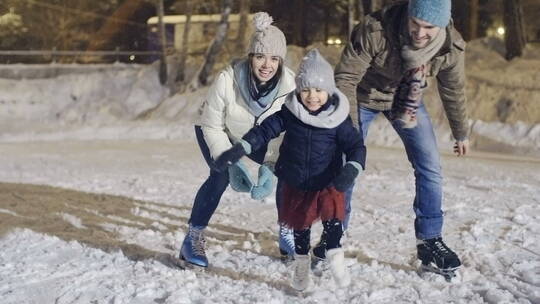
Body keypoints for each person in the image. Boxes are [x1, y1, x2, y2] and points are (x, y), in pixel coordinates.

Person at [334, 0, 467, 277]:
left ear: (441, 25)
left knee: (430, 165)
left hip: (406, 101)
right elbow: (346, 78)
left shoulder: (449, 46)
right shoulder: (375, 30)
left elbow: (453, 88)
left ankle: (430, 241)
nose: (420, 34)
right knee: (346, 163)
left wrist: (460, 131)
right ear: (407, 15)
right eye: (415, 24)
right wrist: (346, 129)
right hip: (362, 97)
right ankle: (333, 234)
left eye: (428, 27)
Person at [215, 49, 366, 290]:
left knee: (333, 219)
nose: (312, 96)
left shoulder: (338, 119)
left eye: (318, 90)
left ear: (328, 91)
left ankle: (335, 254)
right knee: (300, 228)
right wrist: (240, 148)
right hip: (296, 181)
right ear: (298, 90)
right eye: (305, 90)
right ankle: (302, 265)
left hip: (329, 181)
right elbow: (264, 130)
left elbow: (356, 145)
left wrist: (352, 168)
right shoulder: (290, 113)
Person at [179, 12, 297, 268]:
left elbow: (284, 134)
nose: (267, 64)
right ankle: (193, 239)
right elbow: (212, 125)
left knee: (289, 170)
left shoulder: (290, 85)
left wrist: (270, 164)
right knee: (219, 176)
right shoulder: (228, 79)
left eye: (274, 58)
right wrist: (230, 161)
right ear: (251, 56)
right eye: (260, 56)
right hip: (217, 129)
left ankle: (288, 232)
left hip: (258, 137)